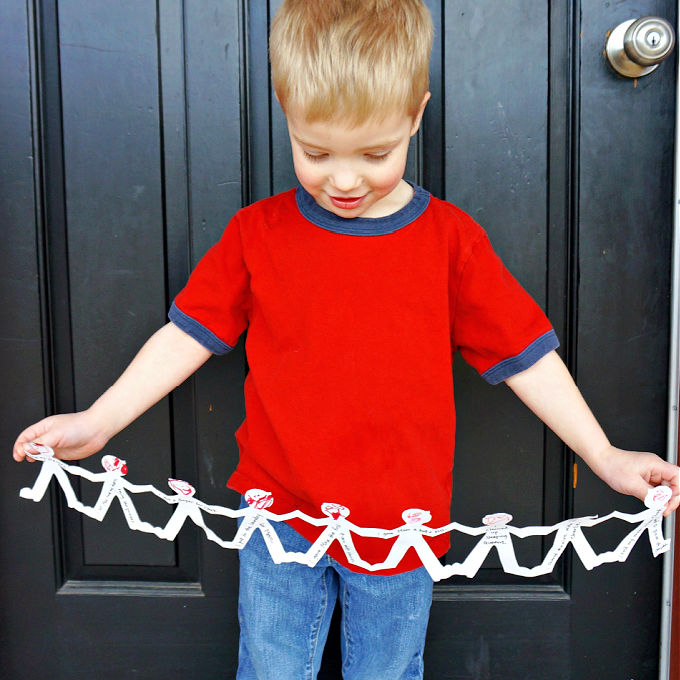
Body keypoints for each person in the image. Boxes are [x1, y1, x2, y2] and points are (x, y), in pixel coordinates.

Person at [12, 1, 680, 677]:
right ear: (285, 112)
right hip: (278, 517)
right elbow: (185, 336)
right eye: (316, 151)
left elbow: (527, 358)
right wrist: (100, 420)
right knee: (271, 668)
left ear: (416, 116)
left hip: (402, 528)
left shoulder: (450, 243)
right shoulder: (257, 234)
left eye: (376, 153)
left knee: (386, 672)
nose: (345, 179)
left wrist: (603, 454)